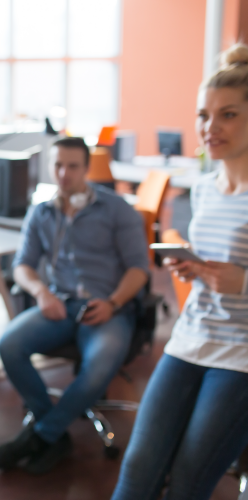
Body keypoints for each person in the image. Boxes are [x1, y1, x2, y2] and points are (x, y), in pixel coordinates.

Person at [112, 44, 248, 500]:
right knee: (138, 468)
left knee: (189, 482)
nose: (211, 128)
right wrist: (190, 265)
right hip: (190, 338)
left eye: (227, 114)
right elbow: (216, 263)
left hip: (241, 357)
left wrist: (243, 282)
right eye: (203, 116)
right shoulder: (206, 188)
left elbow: (237, 275)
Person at [0, 136, 150, 475]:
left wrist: (113, 302)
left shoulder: (116, 209)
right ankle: (52, 427)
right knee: (9, 344)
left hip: (107, 307)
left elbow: (140, 268)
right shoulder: (43, 211)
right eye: (58, 165)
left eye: (73, 166)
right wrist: (40, 292)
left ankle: (43, 435)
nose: (64, 174)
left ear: (87, 168)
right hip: (59, 304)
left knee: (99, 364)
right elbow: (22, 265)